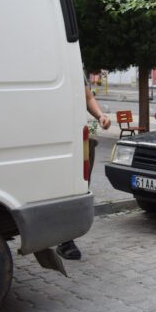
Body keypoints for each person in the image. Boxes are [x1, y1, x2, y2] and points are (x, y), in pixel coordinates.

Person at [56, 82, 111, 261]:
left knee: (79, 187)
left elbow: (87, 97)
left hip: (81, 134)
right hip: (54, 133)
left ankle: (67, 240)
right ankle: (60, 237)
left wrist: (101, 116)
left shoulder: (75, 69)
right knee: (60, 187)